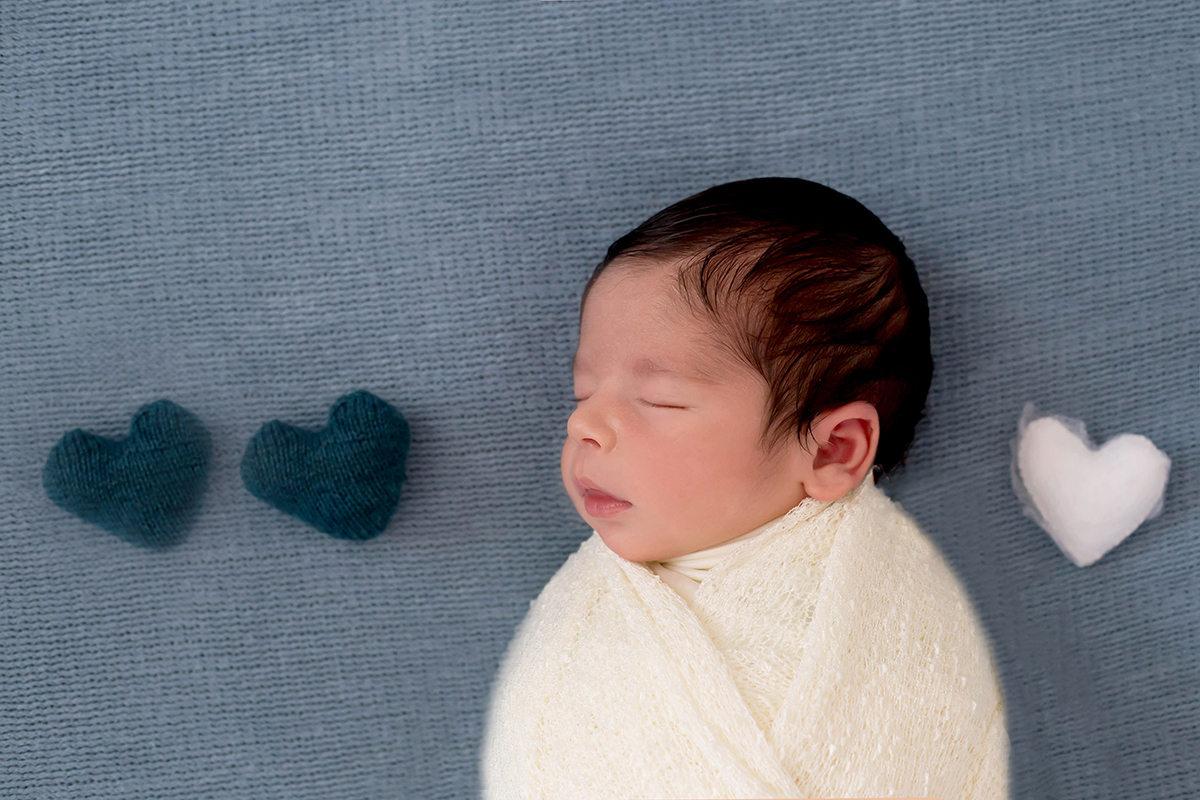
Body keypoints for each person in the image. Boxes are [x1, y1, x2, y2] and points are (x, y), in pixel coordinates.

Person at [481, 177, 1009, 799]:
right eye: (583, 392)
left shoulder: (894, 624)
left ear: (832, 448)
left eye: (660, 400)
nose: (583, 424)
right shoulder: (588, 617)